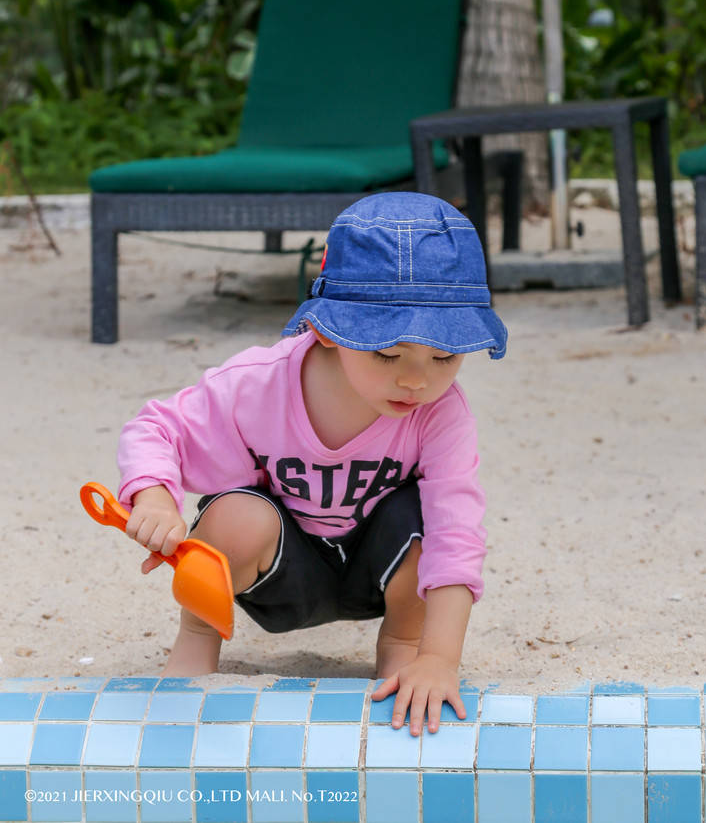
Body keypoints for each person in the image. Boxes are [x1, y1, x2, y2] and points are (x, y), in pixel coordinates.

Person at [116, 191, 507, 735]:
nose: (417, 379)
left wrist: (441, 659)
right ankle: (197, 642)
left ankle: (404, 651)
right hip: (283, 570)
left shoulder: (439, 413)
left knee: (426, 520)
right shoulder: (258, 384)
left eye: (444, 356)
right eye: (388, 353)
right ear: (326, 330)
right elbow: (156, 428)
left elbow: (457, 533)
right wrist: (154, 495)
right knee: (233, 515)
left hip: (378, 572)